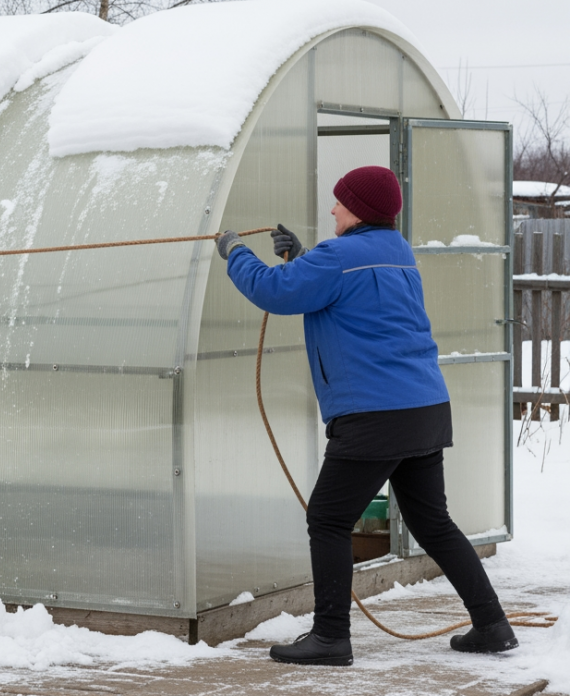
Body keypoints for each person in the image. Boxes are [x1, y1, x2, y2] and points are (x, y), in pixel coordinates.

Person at [215, 166, 516, 665]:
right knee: (434, 522)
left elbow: (276, 292)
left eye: (338, 201)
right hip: (423, 407)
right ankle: (492, 624)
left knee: (328, 519)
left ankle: (331, 637)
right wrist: (301, 258)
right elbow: (343, 293)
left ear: (357, 208)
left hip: (376, 414)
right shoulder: (396, 252)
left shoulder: (340, 257)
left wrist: (236, 253)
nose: (332, 209)